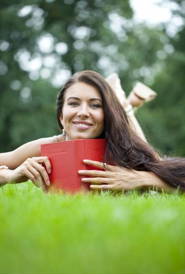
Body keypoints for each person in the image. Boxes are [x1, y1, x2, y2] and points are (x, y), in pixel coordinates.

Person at [1, 70, 184, 193]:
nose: (82, 113)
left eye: (95, 105)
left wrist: (141, 178)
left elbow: (167, 171)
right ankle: (124, 103)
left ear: (107, 115)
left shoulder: (123, 145)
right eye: (73, 103)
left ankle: (124, 106)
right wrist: (10, 175)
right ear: (60, 116)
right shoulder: (50, 145)